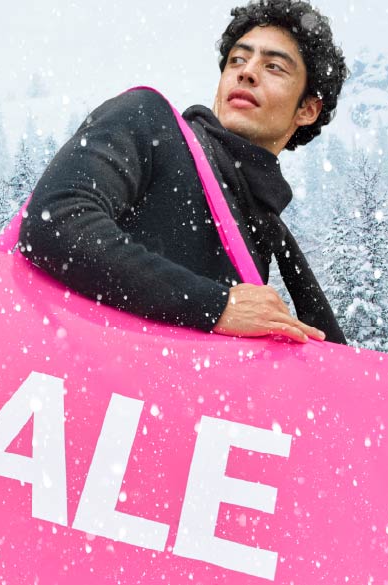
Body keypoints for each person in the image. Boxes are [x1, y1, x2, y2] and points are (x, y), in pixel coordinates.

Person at [19, 0, 347, 345]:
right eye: (237, 59)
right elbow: (55, 222)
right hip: (61, 382)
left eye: (274, 67)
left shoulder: (260, 227)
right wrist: (216, 305)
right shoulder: (150, 120)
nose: (247, 71)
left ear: (308, 109)